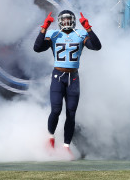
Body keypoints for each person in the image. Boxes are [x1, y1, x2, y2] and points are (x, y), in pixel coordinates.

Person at [33, 10, 101, 157]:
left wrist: (88, 28)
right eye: (63, 20)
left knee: (71, 114)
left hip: (73, 78)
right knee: (56, 110)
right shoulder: (54, 34)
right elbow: (37, 48)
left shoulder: (80, 34)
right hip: (58, 76)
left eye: (69, 19)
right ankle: (50, 138)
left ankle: (66, 147)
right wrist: (44, 28)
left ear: (74, 20)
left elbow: (97, 46)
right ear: (59, 21)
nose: (66, 22)